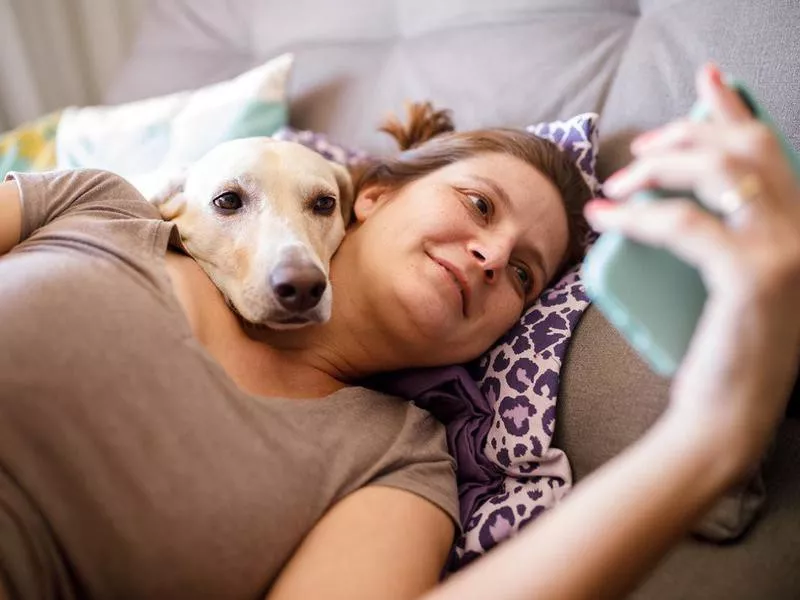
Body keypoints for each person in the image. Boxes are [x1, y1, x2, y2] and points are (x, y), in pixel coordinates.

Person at [0, 61, 797, 600]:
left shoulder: (401, 468)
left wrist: (714, 432)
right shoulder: (100, 203)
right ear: (370, 196)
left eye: (523, 273)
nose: (491, 254)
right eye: (479, 205)